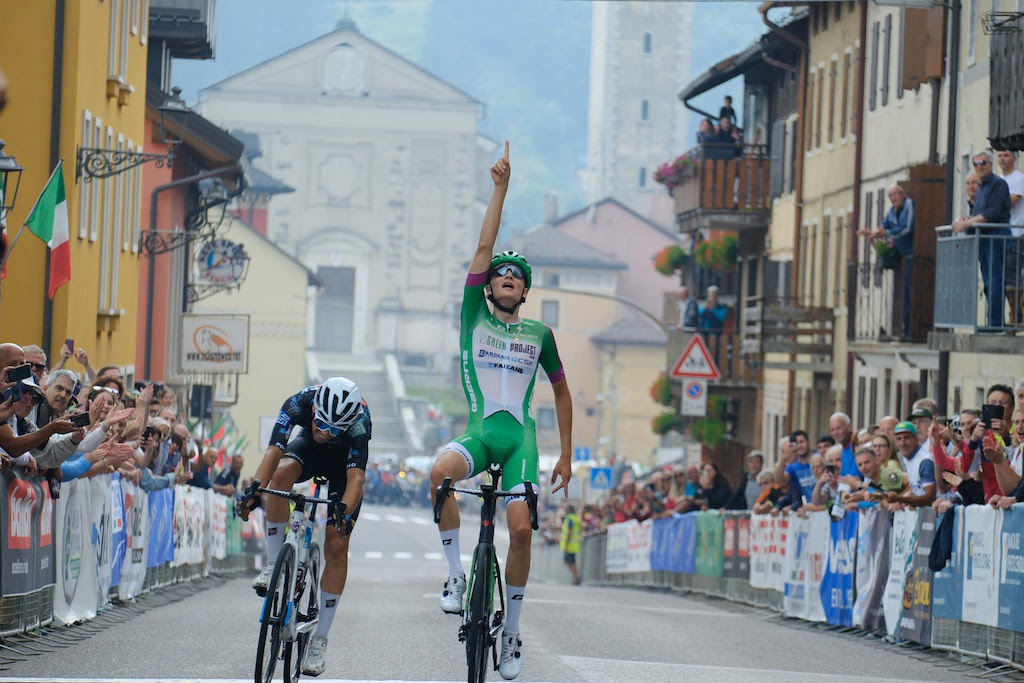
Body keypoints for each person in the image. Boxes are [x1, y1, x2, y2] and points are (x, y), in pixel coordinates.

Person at [428, 141, 572, 682]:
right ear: (488, 285)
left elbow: (562, 394)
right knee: (440, 472)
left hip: (522, 443)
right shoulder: (472, 317)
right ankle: (453, 578)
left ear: (526, 290)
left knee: (520, 528)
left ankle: (511, 631)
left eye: (516, 274)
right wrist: (500, 188)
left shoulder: (540, 333)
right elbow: (485, 244)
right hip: (482, 434)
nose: (506, 276)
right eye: (499, 273)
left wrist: (568, 455)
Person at [238, 377, 371, 677]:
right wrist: (255, 490)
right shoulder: (299, 402)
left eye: (335, 428)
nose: (325, 432)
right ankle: (274, 564)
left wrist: (344, 515)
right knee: (281, 476)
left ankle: (320, 638)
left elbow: (357, 480)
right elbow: (273, 451)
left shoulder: (360, 422)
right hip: (306, 452)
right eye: (321, 422)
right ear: (314, 409)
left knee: (337, 544)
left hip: (343, 467)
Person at [953, 151, 1012, 329]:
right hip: (985, 240)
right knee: (987, 282)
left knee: (995, 281)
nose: (979, 166)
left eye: (983, 162)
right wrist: (964, 221)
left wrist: (969, 222)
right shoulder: (981, 187)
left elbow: (992, 213)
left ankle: (995, 323)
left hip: (996, 238)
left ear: (990, 164)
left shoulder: (998, 184)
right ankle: (992, 322)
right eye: (976, 163)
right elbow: (977, 214)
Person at [859, 184, 915, 339]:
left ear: (902, 194)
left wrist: (886, 232)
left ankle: (910, 331)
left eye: (896, 195)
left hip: (912, 256)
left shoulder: (909, 205)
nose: (893, 198)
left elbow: (907, 228)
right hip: (903, 258)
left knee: (911, 294)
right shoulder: (893, 211)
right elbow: (884, 225)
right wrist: (873, 232)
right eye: (890, 196)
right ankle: (905, 330)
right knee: (905, 295)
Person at [887, 421, 936, 509]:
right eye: (898, 439)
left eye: (907, 438)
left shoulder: (924, 461)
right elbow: (916, 488)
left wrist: (900, 499)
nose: (903, 443)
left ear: (916, 439)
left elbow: (929, 498)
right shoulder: (907, 458)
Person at [560, 505, 581, 585]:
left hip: (570, 545)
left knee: (569, 562)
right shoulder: (575, 518)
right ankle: (576, 577)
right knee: (572, 562)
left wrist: (566, 544)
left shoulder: (570, 518)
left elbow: (569, 531)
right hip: (573, 545)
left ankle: (576, 578)